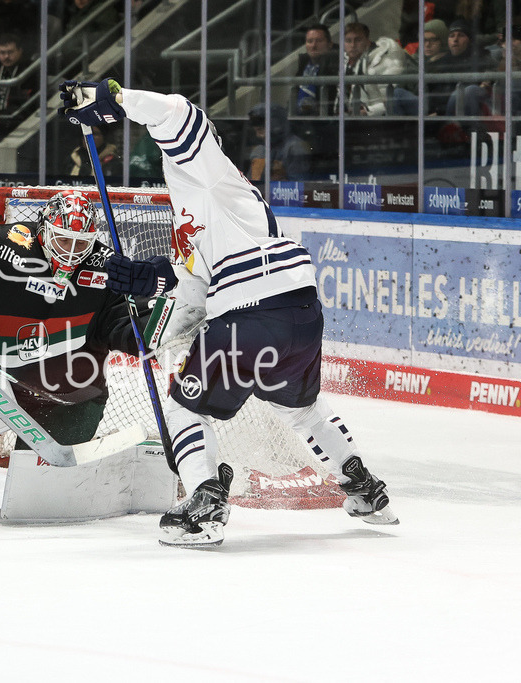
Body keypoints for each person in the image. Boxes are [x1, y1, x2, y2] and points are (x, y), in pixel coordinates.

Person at [59, 79, 398, 547]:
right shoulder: (198, 220)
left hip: (249, 317)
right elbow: (193, 289)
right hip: (298, 319)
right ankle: (362, 484)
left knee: (184, 407)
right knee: (303, 410)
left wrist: (118, 100)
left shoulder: (215, 176)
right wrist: (147, 279)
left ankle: (206, 500)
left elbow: (178, 113)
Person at [0, 189, 164, 446]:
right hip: (2, 387)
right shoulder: (3, 244)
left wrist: (159, 328)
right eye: (63, 240)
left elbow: (131, 323)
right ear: (43, 231)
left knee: (37, 475)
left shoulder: (108, 269)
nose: (71, 252)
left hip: (72, 397)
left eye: (81, 243)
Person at [337, 21, 408, 116]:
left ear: (367, 40)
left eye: (358, 40)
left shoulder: (384, 60)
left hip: (383, 121)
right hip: (353, 119)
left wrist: (368, 111)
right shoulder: (345, 63)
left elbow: (394, 99)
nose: (353, 45)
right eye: (348, 41)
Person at [246, 104, 311, 187]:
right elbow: (251, 185)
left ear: (276, 126)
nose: (258, 135)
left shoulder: (295, 147)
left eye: (261, 130)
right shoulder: (260, 150)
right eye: (256, 131)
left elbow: (299, 187)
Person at [0, 32, 37, 140]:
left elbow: (24, 104)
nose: (6, 56)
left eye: (10, 52)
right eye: (2, 53)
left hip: (16, 122)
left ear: (20, 51)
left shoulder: (29, 71)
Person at [294, 23, 338, 116]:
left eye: (319, 41)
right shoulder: (303, 63)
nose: (313, 46)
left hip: (321, 120)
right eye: (310, 41)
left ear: (330, 44)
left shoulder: (336, 65)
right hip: (298, 117)